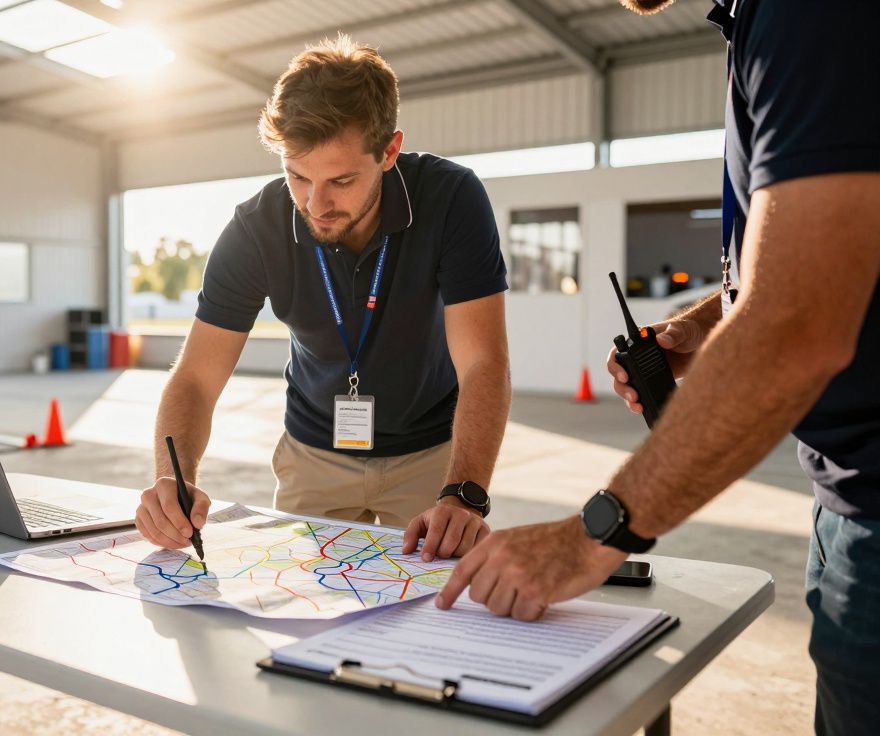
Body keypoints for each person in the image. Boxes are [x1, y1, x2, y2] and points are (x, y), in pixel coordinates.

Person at [436, 2, 880, 733]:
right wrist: (707, 322)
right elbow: (820, 257)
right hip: (846, 492)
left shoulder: (809, 15)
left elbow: (799, 322)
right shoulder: (754, 21)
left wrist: (589, 538)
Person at [134, 35, 512, 564]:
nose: (316, 204)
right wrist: (172, 478)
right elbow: (196, 376)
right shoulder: (256, 228)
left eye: (341, 180)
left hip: (430, 454)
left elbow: (483, 363)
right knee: (302, 601)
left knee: (432, 600)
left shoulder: (451, 198)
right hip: (312, 455)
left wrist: (464, 494)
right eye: (297, 176)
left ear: (389, 151)